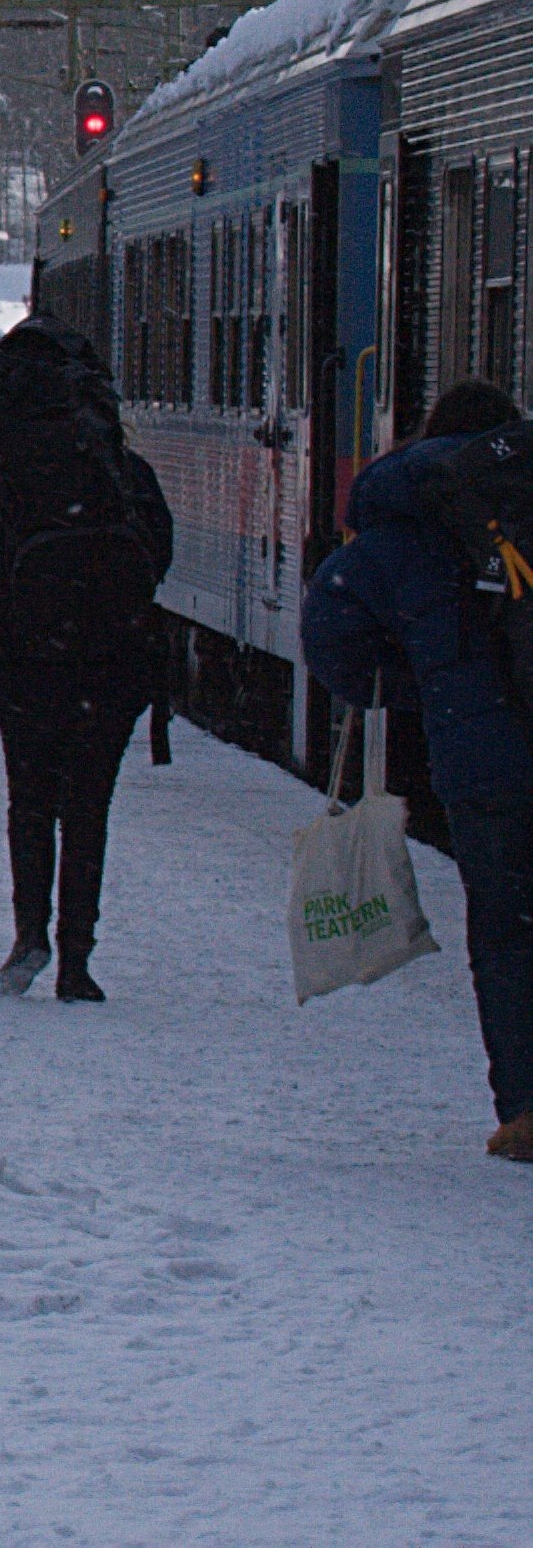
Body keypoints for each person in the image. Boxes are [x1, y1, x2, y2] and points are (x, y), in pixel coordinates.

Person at [302, 379, 533, 1165]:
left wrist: (430, 686)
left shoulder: (399, 526)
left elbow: (331, 632)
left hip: (482, 765)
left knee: (506, 933)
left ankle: (524, 1112)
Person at [0, 318, 173, 1003]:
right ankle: (78, 958)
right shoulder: (121, 469)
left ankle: (30, 935)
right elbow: (158, 556)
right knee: (90, 806)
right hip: (113, 657)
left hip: (29, 653)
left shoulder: (11, 474)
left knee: (31, 801)